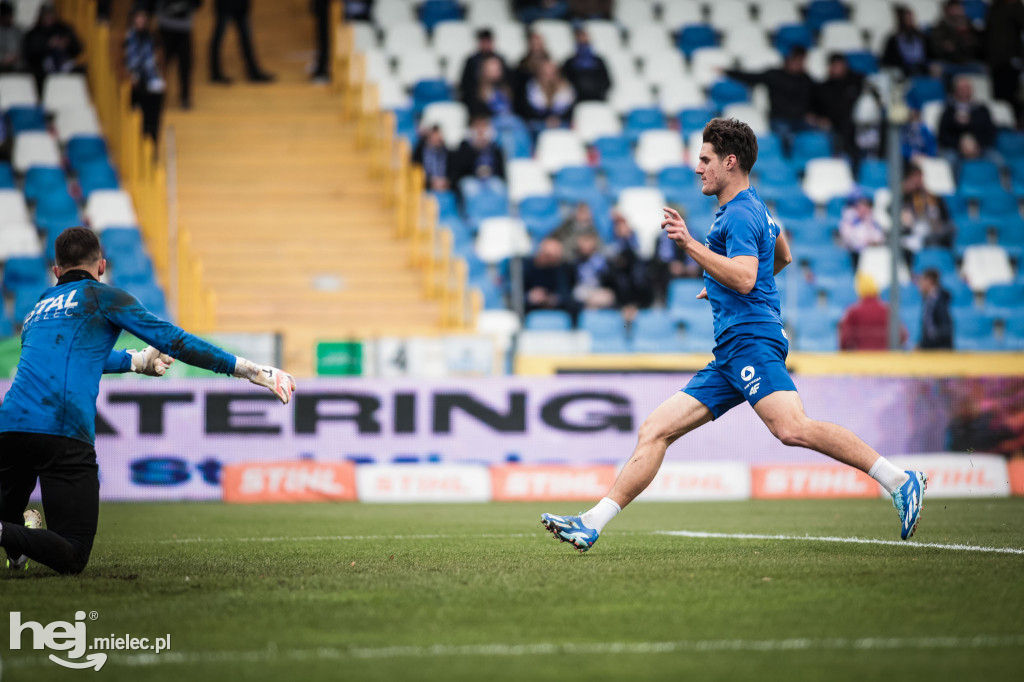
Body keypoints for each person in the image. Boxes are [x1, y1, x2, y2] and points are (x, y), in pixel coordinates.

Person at [541, 118, 927, 553]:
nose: (697, 168)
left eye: (705, 160)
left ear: (729, 162)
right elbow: (781, 254)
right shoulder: (753, 208)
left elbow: (746, 277)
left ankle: (898, 479)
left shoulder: (740, 213)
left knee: (792, 428)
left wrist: (691, 246)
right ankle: (591, 523)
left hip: (751, 340)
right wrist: (723, 282)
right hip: (731, 351)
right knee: (655, 430)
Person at [0, 227, 295, 575]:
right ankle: (12, 534)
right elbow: (174, 340)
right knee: (73, 554)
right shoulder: (101, 295)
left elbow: (74, 356)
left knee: (12, 521)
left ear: (56, 271)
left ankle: (16, 537)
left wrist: (136, 361)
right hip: (61, 431)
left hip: (9, 430)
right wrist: (249, 371)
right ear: (101, 266)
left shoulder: (40, 307)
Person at [725, 46, 816, 153]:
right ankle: (788, 164)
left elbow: (816, 100)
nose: (799, 63)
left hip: (801, 120)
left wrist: (814, 115)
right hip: (779, 119)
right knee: (784, 136)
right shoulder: (774, 75)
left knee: (819, 137)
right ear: (789, 59)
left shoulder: (806, 79)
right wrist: (727, 72)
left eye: (802, 60)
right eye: (797, 60)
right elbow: (751, 77)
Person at [813, 53, 868, 166]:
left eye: (840, 65)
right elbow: (814, 111)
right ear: (829, 67)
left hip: (855, 126)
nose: (837, 68)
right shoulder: (823, 88)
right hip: (832, 127)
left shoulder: (857, 82)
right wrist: (819, 119)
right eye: (835, 65)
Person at [124, 8, 165, 142]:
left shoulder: (154, 38)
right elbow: (121, 62)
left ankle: (152, 149)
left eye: (143, 18)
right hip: (133, 86)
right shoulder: (126, 38)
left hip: (152, 85)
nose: (140, 22)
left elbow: (160, 61)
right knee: (135, 123)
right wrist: (129, 77)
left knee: (152, 122)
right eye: (138, 18)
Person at [209, 0, 274, 84]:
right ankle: (216, 73)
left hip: (240, 5)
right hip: (226, 5)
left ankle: (253, 71)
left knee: (246, 38)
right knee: (219, 37)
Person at [22, 2, 83, 90]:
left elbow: (78, 48)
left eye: (51, 14)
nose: (49, 18)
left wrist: (66, 44)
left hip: (64, 67)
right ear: (41, 16)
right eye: (46, 15)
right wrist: (48, 46)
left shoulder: (64, 29)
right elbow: (29, 54)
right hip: (42, 72)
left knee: (78, 71)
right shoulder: (34, 33)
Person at [838, 272, 906, 350]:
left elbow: (844, 339)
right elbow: (902, 335)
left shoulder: (853, 311)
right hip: (886, 358)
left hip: (860, 358)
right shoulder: (888, 310)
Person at [937, 76, 996, 161]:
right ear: (955, 90)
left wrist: (976, 145)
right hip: (955, 149)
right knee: (950, 159)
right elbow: (943, 135)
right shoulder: (948, 111)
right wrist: (960, 145)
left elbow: (990, 132)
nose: (964, 90)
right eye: (961, 88)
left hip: (980, 147)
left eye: (967, 87)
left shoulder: (982, 109)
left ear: (972, 90)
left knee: (998, 161)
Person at [154, 0, 200, 109]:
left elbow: (198, 4)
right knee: (161, 64)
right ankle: (157, 95)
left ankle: (185, 96)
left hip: (184, 28)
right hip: (165, 26)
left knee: (185, 65)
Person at [985, 0, 1024, 125]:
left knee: (1012, 95)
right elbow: (988, 30)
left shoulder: (1016, 6)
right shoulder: (994, 7)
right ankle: (1002, 125)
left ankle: (1017, 123)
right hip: (995, 60)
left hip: (1012, 58)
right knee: (999, 96)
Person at [901, 163, 955, 254]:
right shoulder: (905, 196)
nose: (918, 180)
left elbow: (944, 215)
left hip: (932, 230)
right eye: (915, 177)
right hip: (913, 231)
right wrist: (904, 191)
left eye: (920, 176)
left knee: (949, 228)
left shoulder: (932, 195)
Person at [450, 113, 506, 199]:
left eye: (483, 126)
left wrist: (490, 172)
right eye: (477, 126)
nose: (480, 130)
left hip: (491, 178)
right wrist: (474, 149)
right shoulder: (464, 146)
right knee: (469, 188)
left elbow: (501, 171)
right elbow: (460, 170)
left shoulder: (495, 147)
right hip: (472, 179)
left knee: (499, 187)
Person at [523, 237, 579, 318]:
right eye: (550, 256)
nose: (554, 260)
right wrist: (530, 296)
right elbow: (513, 294)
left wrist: (552, 299)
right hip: (529, 312)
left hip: (556, 312)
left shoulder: (561, 269)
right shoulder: (525, 267)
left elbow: (566, 294)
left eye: (557, 257)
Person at [460, 28, 508, 107]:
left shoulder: (500, 59)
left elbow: (507, 81)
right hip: (477, 100)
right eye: (483, 42)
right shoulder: (471, 61)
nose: (486, 45)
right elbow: (465, 85)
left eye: (488, 41)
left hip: (498, 97)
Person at [522, 59, 576, 129]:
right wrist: (546, 119)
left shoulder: (566, 88)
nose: (549, 76)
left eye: (552, 73)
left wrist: (557, 119)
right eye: (545, 73)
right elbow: (526, 111)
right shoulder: (531, 87)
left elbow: (571, 110)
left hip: (561, 122)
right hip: (538, 122)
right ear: (540, 73)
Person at [561, 26, 610, 103]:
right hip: (576, 100)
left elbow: (607, 82)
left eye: (584, 38)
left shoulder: (599, 61)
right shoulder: (569, 62)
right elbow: (565, 82)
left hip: (598, 99)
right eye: (579, 38)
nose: (582, 40)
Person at [881, 5, 932, 77]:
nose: (909, 21)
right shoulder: (894, 40)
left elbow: (930, 54)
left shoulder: (921, 37)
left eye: (911, 18)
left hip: (922, 68)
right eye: (907, 19)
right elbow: (887, 60)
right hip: (903, 71)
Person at [838, 192, 885, 269]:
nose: (862, 210)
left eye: (865, 207)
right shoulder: (849, 220)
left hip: (870, 255)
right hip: (853, 255)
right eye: (859, 207)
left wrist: (871, 240)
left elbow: (879, 238)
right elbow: (848, 238)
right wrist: (865, 241)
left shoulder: (874, 222)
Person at [928, 0, 980, 68]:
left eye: (959, 8)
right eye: (954, 9)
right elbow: (938, 49)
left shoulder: (970, 26)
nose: (958, 12)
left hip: (969, 62)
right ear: (947, 11)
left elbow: (976, 46)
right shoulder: (940, 28)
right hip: (947, 63)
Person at [571, 230, 614, 309]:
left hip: (598, 291)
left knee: (607, 296)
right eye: (583, 242)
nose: (585, 245)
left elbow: (609, 281)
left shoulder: (601, 261)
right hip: (582, 291)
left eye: (588, 242)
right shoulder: (575, 262)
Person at [918, 268, 954, 349]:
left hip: (941, 348)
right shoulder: (927, 300)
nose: (919, 284)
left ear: (929, 281)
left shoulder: (943, 300)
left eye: (922, 281)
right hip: (929, 346)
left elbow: (945, 328)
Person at [412, 125, 451, 192]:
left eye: (439, 136)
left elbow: (452, 172)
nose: (437, 138)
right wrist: (430, 182)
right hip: (425, 186)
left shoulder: (447, 152)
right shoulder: (420, 152)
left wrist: (445, 182)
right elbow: (415, 170)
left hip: (444, 187)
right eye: (435, 135)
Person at [0, 1, 23, 73]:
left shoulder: (18, 31)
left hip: (17, 67)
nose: (7, 18)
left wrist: (13, 58)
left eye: (9, 15)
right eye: (5, 16)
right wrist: (3, 59)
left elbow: (22, 50)